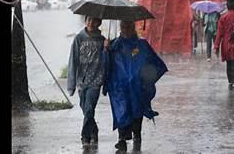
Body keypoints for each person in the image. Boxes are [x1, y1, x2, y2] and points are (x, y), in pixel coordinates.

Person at [106, 20, 168, 152]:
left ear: (132, 27)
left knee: (136, 110)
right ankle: (122, 138)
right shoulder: (114, 45)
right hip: (120, 87)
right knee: (122, 111)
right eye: (123, 26)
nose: (125, 29)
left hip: (137, 87)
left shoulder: (142, 45)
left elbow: (154, 62)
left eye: (128, 26)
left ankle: (136, 135)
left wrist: (146, 80)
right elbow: (106, 65)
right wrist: (105, 50)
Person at [67, 15, 109, 148]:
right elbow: (72, 61)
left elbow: (107, 61)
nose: (91, 22)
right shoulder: (79, 38)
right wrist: (71, 84)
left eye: (94, 20)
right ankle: (94, 130)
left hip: (96, 79)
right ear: (85, 21)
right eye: (89, 19)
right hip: (81, 80)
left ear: (99, 22)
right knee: (86, 110)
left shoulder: (102, 40)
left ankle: (85, 136)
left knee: (90, 108)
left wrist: (107, 48)